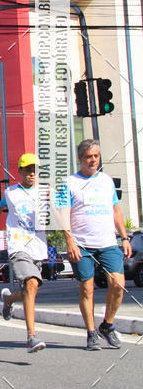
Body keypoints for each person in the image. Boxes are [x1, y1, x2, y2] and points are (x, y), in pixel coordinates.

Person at [58, 138, 131, 350]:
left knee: (118, 285)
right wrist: (70, 242)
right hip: (81, 245)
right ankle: (91, 333)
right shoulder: (69, 183)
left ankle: (107, 325)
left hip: (108, 243)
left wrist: (125, 238)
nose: (93, 160)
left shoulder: (107, 181)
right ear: (80, 158)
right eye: (89, 156)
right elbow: (63, 215)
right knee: (87, 289)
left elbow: (116, 212)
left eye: (96, 156)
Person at [0, 154, 47, 353]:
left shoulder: (45, 192)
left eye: (35, 170)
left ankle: (8, 300)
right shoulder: (11, 193)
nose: (32, 173)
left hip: (38, 247)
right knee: (31, 283)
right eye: (27, 170)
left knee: (29, 290)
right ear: (20, 171)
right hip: (18, 245)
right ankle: (31, 337)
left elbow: (60, 214)